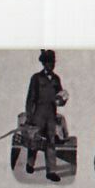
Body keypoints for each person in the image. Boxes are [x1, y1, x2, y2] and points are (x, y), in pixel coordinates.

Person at [20, 50, 67, 180]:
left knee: (51, 142)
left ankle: (51, 171)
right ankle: (30, 163)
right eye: (49, 62)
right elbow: (31, 98)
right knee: (35, 140)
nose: (51, 65)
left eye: (53, 62)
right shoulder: (36, 78)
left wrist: (63, 99)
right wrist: (30, 117)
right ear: (44, 63)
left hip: (51, 114)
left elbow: (60, 97)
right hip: (38, 115)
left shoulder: (56, 79)